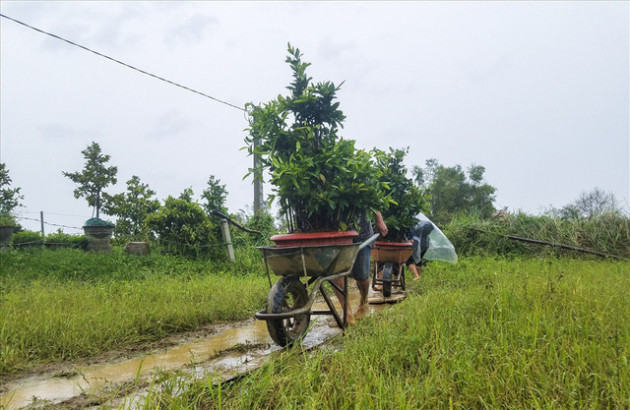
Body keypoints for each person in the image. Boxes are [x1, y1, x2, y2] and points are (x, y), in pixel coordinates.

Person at [333, 210, 387, 325]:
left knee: (362, 275)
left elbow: (372, 195)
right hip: (335, 231)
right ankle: (347, 314)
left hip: (361, 233)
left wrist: (379, 219)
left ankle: (363, 301)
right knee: (336, 272)